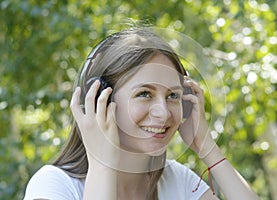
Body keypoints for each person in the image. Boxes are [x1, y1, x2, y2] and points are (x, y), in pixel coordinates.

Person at [23, 28, 259, 200]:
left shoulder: (178, 180)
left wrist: (206, 146)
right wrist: (102, 163)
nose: (163, 112)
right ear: (99, 101)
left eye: (173, 96)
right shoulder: (53, 186)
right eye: (145, 93)